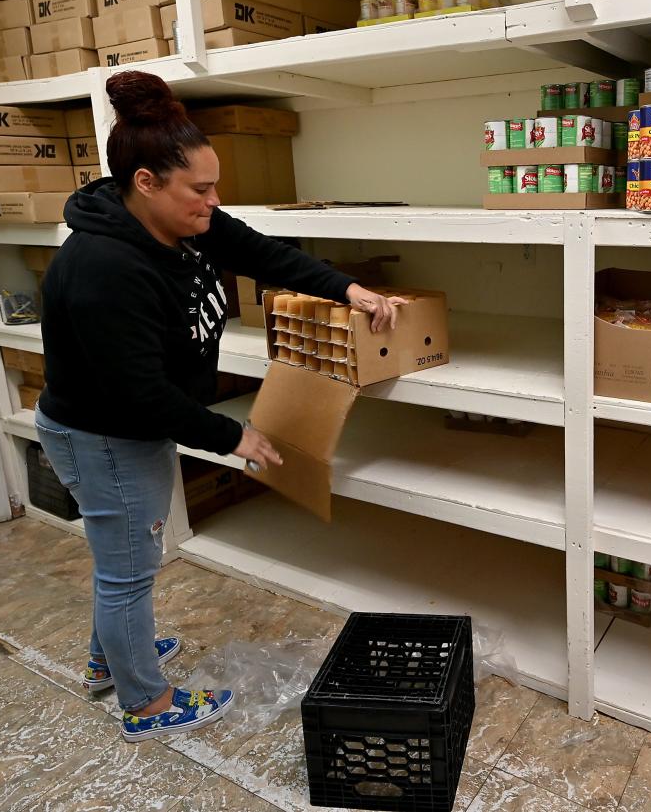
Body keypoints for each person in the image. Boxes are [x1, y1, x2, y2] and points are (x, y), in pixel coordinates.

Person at [34, 70, 403, 742]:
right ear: (145, 182)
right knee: (128, 568)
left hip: (125, 426)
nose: (214, 201)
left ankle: (108, 661)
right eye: (200, 189)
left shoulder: (189, 223)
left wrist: (348, 288)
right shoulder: (103, 269)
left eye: (215, 186)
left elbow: (262, 252)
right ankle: (144, 702)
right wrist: (235, 437)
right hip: (105, 435)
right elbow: (140, 396)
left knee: (124, 560)